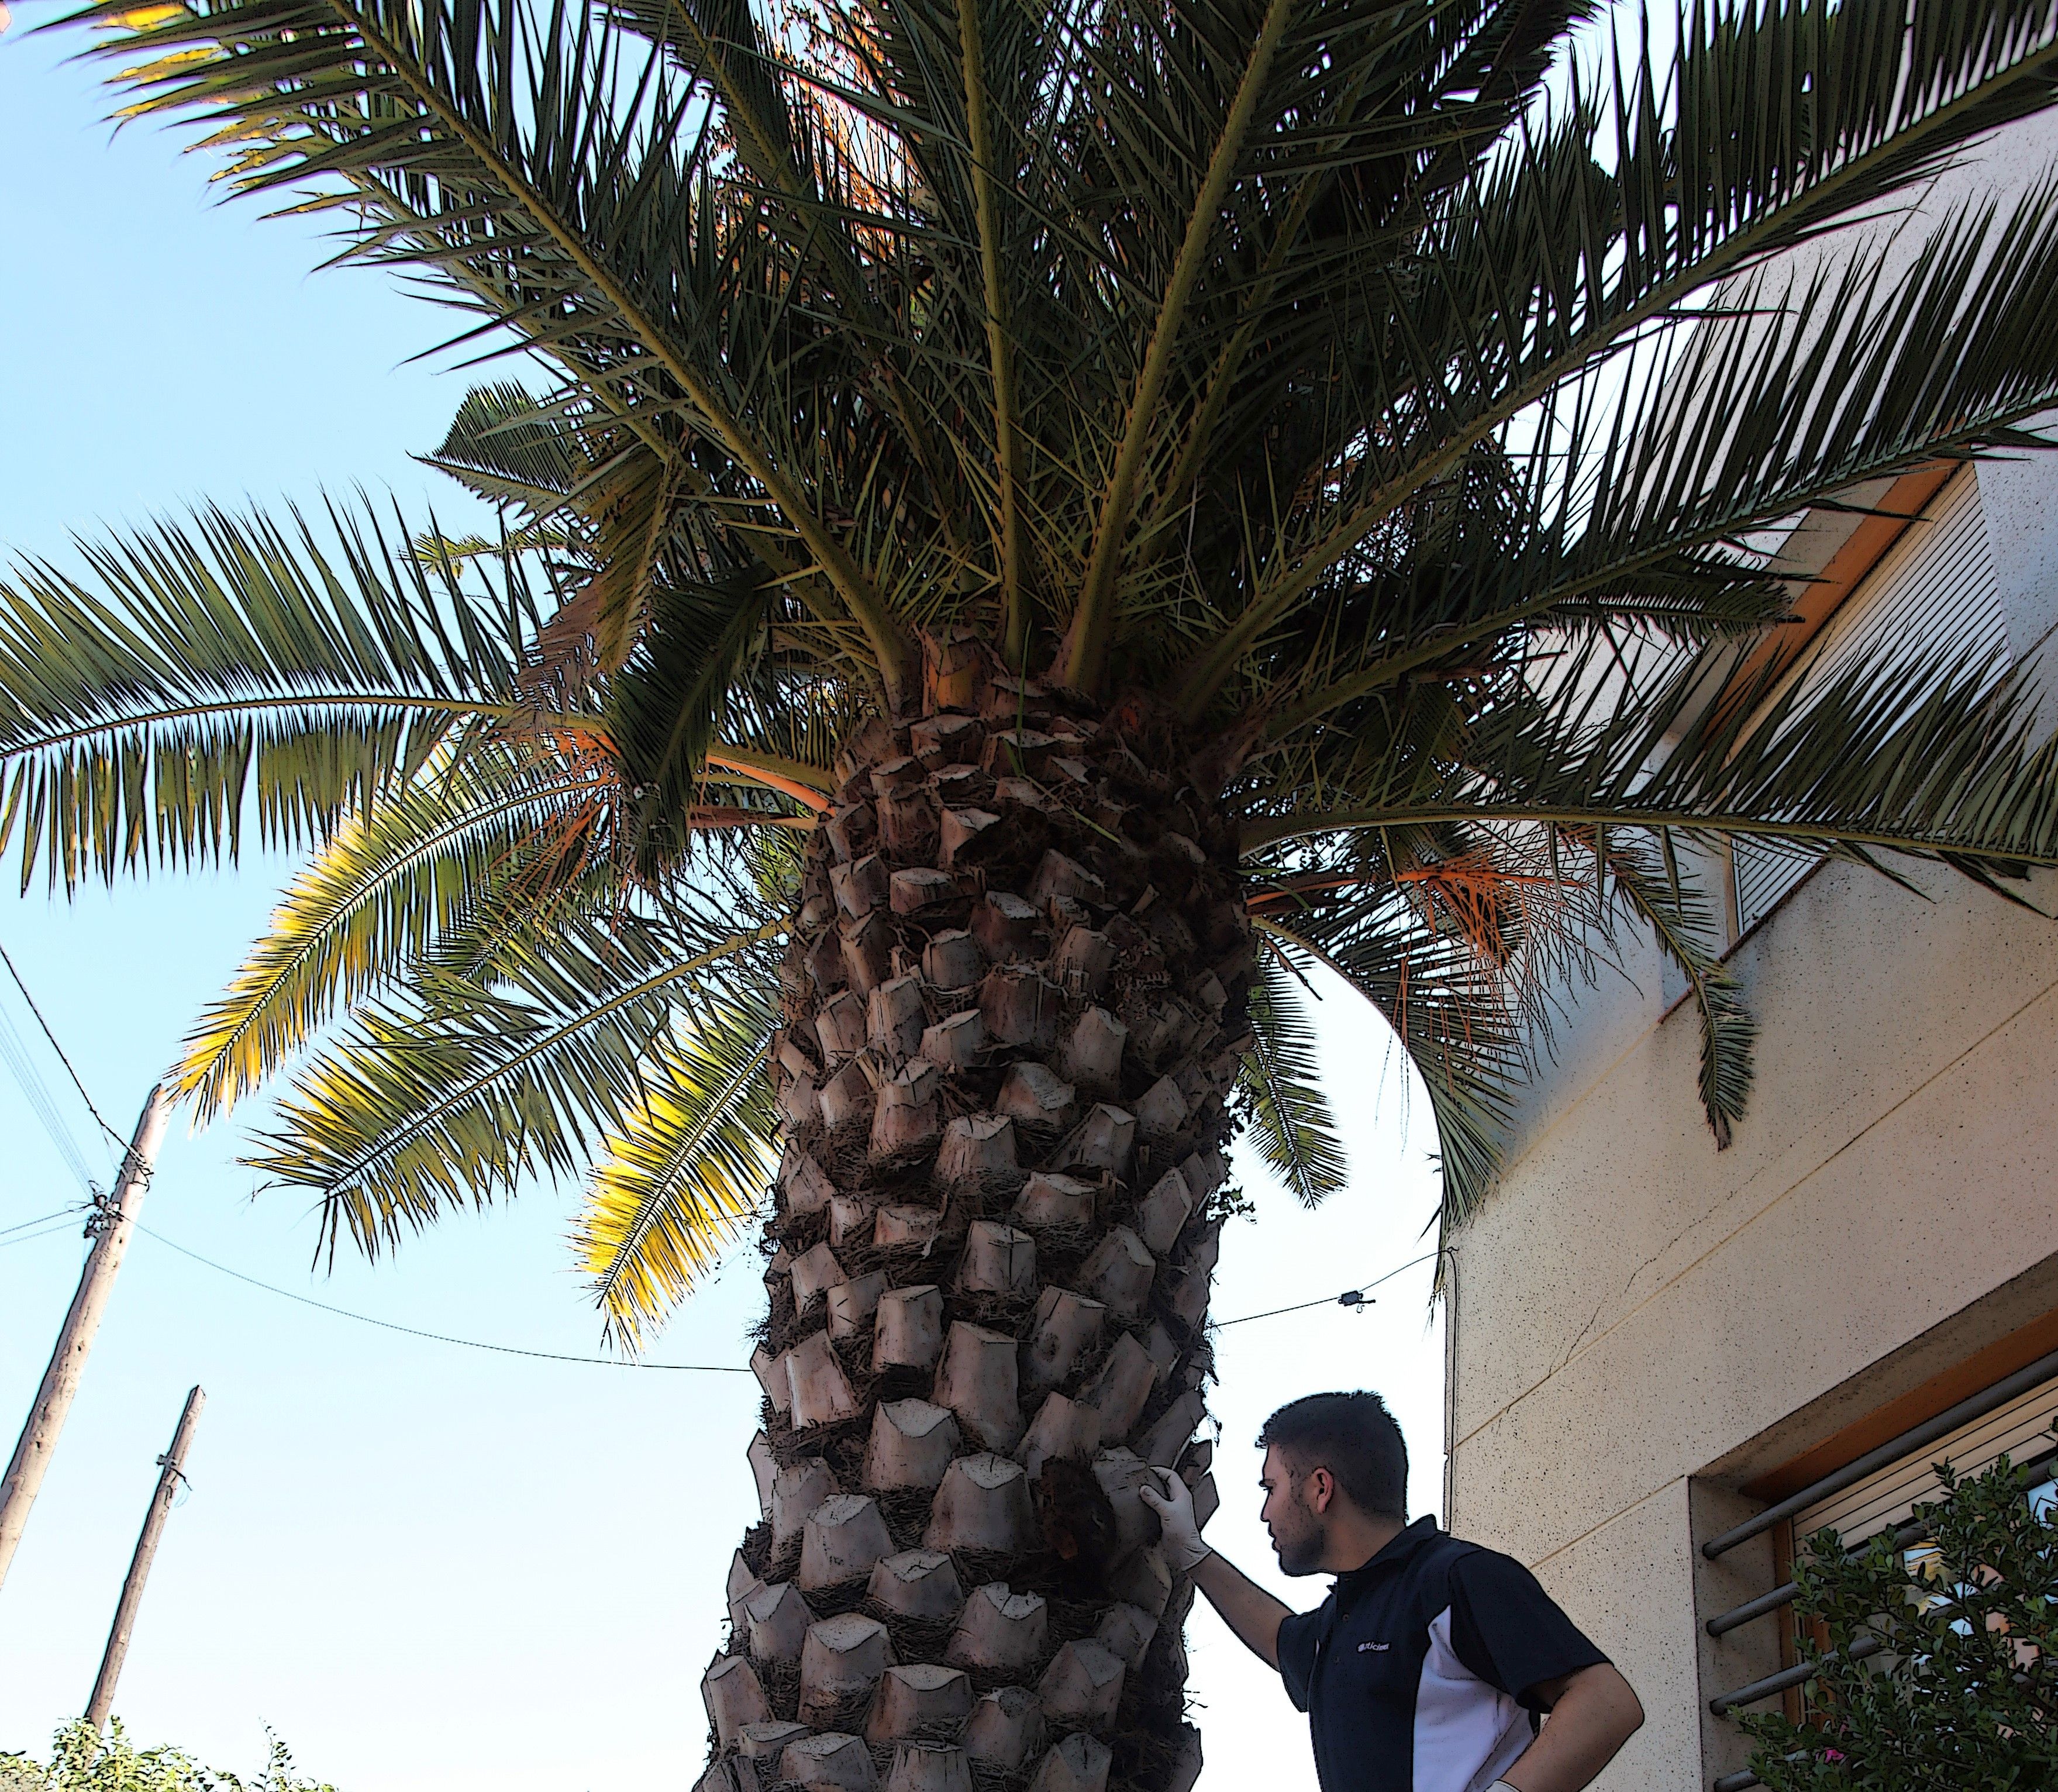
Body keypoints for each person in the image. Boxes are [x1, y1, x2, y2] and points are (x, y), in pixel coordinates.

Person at [1139, 1390, 1644, 1792]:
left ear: (1320, 1488)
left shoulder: (1457, 1578)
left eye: (1269, 1488)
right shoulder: (1345, 1615)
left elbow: (1606, 1702)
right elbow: (1281, 1639)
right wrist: (1192, 1555)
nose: (1264, 1513)